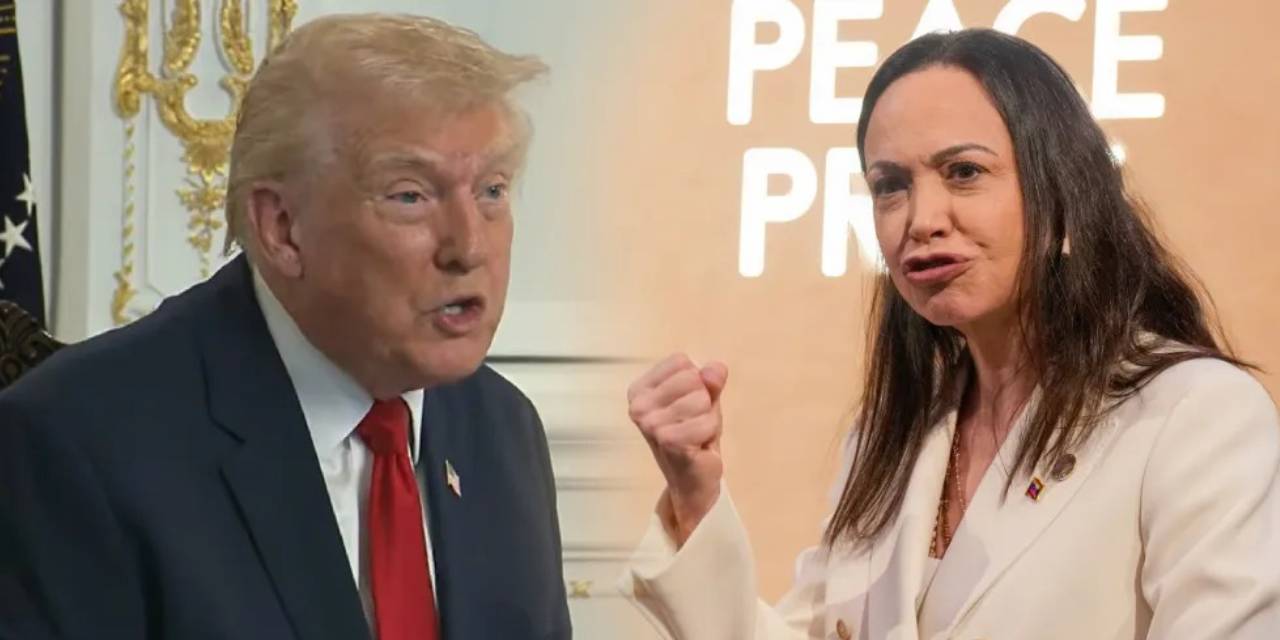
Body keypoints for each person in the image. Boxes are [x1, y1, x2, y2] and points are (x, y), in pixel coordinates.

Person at [621, 29, 1280, 639]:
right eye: (890, 186)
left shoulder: (1194, 414)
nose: (921, 218)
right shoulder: (890, 437)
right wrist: (695, 494)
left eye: (964, 172)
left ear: (1063, 193)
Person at [0, 13, 570, 640]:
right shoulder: (77, 444)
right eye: (410, 195)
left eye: (492, 191)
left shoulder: (502, 431)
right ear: (282, 229)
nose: (469, 246)